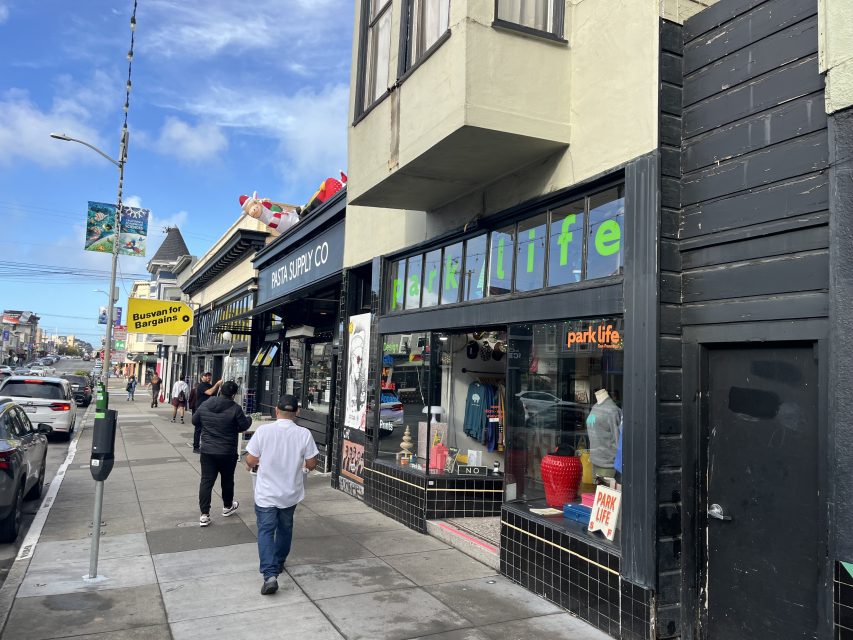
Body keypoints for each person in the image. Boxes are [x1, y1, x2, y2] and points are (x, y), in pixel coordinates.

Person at [244, 394, 318, 595]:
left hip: (266, 494)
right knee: (285, 528)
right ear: (297, 412)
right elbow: (311, 464)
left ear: (276, 411)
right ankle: (279, 562)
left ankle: (269, 575)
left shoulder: (264, 431)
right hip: (290, 493)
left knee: (266, 531)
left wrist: (250, 465)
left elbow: (250, 459)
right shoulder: (304, 434)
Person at [193, 381, 252, 529]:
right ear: (233, 394)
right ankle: (227, 506)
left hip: (207, 450)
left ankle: (204, 515)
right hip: (227, 451)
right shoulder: (235, 408)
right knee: (227, 479)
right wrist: (250, 419)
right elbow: (243, 426)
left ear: (220, 390)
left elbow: (195, 420)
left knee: (206, 481)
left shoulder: (206, 404)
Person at [191, 372, 222, 453]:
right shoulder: (201, 385)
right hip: (201, 410)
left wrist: (219, 386)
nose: (208, 377)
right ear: (202, 378)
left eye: (209, 375)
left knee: (206, 429)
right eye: (206, 376)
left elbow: (214, 394)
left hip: (209, 410)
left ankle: (206, 446)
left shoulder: (210, 385)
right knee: (198, 429)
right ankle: (196, 447)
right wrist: (217, 384)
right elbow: (209, 392)